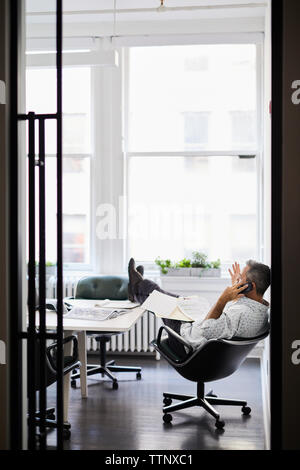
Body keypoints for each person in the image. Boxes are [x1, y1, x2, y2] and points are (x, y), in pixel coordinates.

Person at [128, 258, 270, 355]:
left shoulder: (240, 313)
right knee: (179, 300)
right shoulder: (260, 310)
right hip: (202, 340)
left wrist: (222, 300)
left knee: (161, 300)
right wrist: (236, 295)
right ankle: (138, 286)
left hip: (187, 342)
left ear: (250, 286)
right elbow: (232, 321)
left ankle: (136, 287)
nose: (238, 280)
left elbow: (207, 330)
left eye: (241, 279)